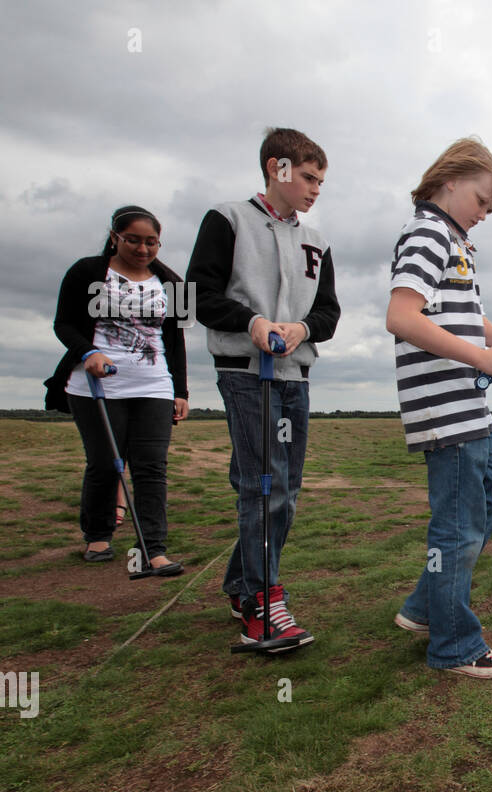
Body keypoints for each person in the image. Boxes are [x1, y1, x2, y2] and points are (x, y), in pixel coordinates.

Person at [187, 127, 341, 652]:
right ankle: (260, 600)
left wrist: (301, 329)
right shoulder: (226, 219)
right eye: (308, 177)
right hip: (245, 374)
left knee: (285, 491)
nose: (316, 189)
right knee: (262, 486)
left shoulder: (317, 241)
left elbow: (328, 312)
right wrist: (252, 322)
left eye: (321, 180)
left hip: (295, 375)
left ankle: (240, 583)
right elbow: (198, 296)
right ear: (277, 168)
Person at [386, 137, 492, 679]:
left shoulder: (456, 240)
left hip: (466, 405)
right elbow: (402, 316)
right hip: (443, 405)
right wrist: (480, 357)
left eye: (491, 207)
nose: (484, 214)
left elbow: (469, 316)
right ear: (451, 180)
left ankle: (428, 607)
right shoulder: (427, 233)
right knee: (458, 525)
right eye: (482, 200)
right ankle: (454, 646)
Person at [45, 205, 189, 575]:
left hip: (153, 382)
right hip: (95, 384)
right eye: (134, 240)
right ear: (115, 237)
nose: (143, 249)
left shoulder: (174, 282)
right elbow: (64, 323)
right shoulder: (87, 272)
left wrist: (181, 390)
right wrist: (88, 352)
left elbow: (175, 339)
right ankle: (97, 535)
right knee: (106, 463)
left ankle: (152, 549)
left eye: (152, 242)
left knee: (152, 467)